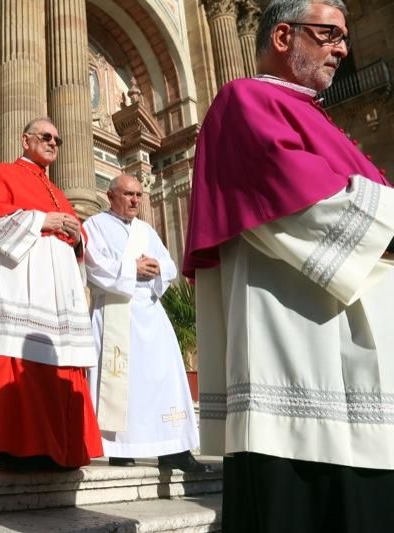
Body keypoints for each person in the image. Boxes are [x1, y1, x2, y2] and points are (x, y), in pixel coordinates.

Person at [183, 1, 394, 531]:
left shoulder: (320, 120)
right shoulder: (245, 100)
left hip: (358, 351)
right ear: (282, 36)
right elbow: (293, 192)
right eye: (328, 35)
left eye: (344, 37)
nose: (343, 49)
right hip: (300, 347)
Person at [0, 117, 103, 470]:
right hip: (17, 284)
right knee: (16, 360)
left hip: (54, 294)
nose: (53, 143)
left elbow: (80, 243)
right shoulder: (0, 173)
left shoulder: (59, 192)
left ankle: (57, 448)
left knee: (56, 365)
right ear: (25, 140)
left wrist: (77, 236)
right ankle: (17, 448)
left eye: (57, 139)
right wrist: (41, 221)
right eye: (46, 136)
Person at [84, 175, 209, 473]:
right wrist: (132, 268)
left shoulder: (146, 230)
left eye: (139, 195)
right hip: (116, 311)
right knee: (122, 386)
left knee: (164, 380)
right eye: (128, 194)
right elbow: (93, 265)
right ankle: (121, 448)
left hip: (150, 314)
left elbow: (167, 264)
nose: (135, 201)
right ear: (110, 195)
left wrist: (156, 269)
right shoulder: (94, 226)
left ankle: (174, 448)